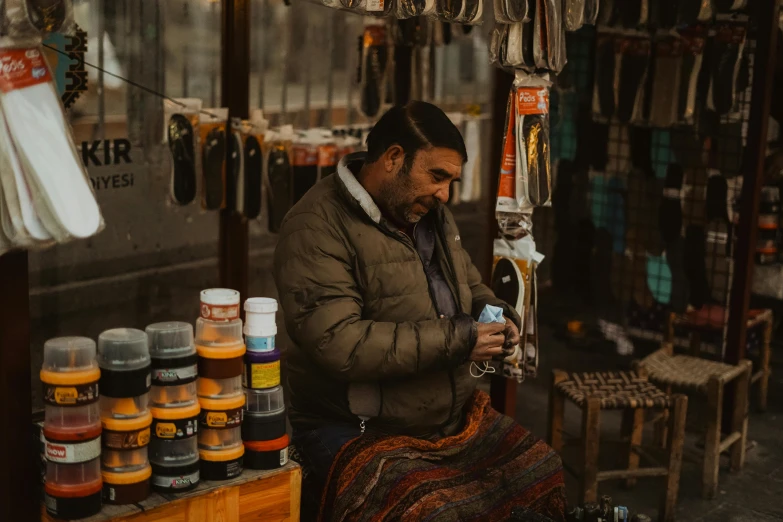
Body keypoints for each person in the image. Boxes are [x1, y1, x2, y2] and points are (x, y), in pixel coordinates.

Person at [274, 102, 564, 521]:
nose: (445, 194)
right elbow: (339, 343)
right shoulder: (315, 225)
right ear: (393, 158)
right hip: (357, 426)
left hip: (444, 421)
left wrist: (496, 315)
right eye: (437, 176)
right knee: (431, 513)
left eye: (451, 181)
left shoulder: (431, 215)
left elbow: (470, 285)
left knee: (540, 469)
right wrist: (463, 339)